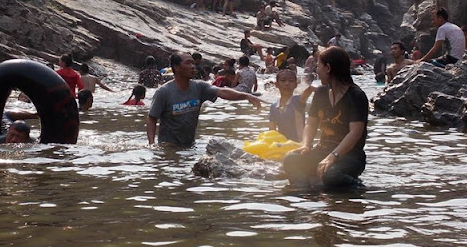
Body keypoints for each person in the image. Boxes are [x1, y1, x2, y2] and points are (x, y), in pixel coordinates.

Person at [283, 46, 368, 189]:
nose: (317, 71)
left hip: (350, 155)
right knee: (291, 160)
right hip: (322, 149)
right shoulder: (321, 93)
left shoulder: (356, 96)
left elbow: (355, 133)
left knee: (331, 175)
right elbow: (311, 124)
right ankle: (304, 193)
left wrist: (332, 156)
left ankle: (360, 189)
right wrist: (306, 145)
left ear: (328, 68)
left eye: (318, 66)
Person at [147, 52, 263, 147]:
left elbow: (222, 91)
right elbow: (152, 118)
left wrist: (246, 96)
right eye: (188, 63)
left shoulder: (199, 87)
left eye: (193, 62)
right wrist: (152, 144)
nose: (193, 66)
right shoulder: (163, 92)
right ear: (177, 67)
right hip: (169, 147)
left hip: (190, 145)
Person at [270, 69, 315, 142]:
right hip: (282, 145)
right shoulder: (273, 107)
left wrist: (316, 89)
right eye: (283, 80)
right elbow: (272, 131)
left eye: (291, 81)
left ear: (296, 85)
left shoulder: (298, 101)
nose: (287, 83)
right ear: (276, 84)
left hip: (299, 145)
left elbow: (307, 92)